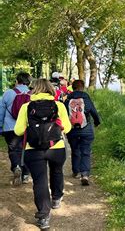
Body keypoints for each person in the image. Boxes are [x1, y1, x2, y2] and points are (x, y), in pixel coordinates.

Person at [14, 79, 71, 230]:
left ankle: (44, 216)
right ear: (51, 89)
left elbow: (18, 131)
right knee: (57, 171)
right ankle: (57, 198)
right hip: (56, 148)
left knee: (39, 181)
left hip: (33, 150)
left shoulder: (26, 107)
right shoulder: (59, 105)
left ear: (34, 90)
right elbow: (68, 128)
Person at [65, 79, 100, 186]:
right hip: (86, 129)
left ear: (73, 87)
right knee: (85, 151)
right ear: (83, 87)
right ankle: (84, 174)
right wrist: (97, 122)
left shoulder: (67, 100)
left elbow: (64, 115)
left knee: (75, 149)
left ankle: (76, 172)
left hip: (72, 130)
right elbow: (93, 112)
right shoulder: (86, 98)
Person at [0, 72, 31, 185]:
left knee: (13, 150)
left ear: (17, 81)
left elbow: (1, 111)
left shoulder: (8, 93)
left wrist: (0, 126)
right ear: (29, 82)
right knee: (27, 149)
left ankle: (16, 166)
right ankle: (26, 174)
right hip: (27, 127)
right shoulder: (32, 94)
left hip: (10, 127)